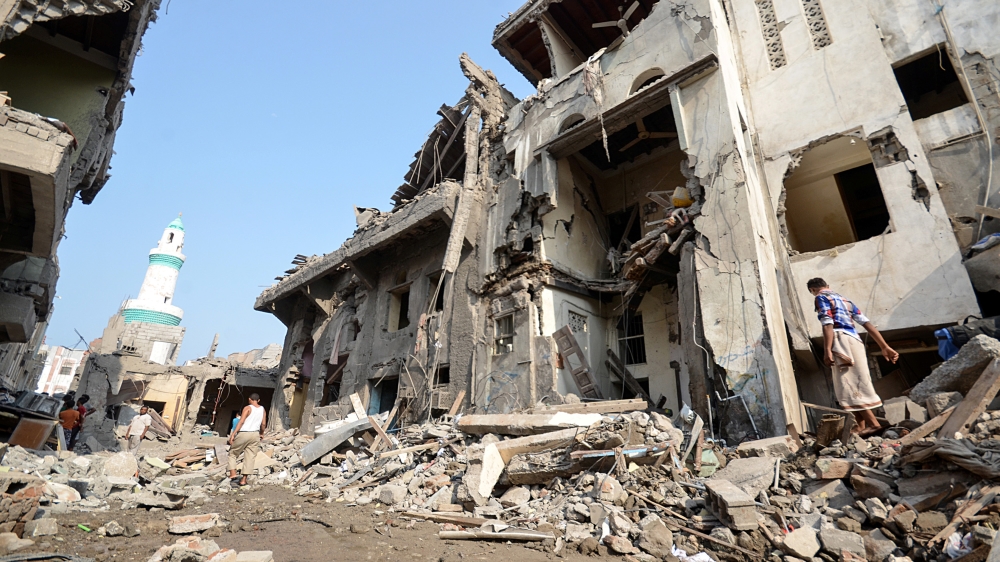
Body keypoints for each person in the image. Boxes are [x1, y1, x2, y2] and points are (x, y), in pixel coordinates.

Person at [807, 278, 900, 436]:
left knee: (847, 384)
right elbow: (866, 323)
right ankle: (860, 426)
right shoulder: (846, 300)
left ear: (813, 290)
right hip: (855, 341)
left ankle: (873, 424)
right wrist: (884, 346)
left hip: (840, 340)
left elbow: (827, 323)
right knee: (855, 381)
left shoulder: (821, 298)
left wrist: (827, 349)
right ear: (827, 286)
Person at [227, 394, 266, 487]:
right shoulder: (263, 409)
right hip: (255, 434)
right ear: (258, 400)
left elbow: (241, 421)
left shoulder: (247, 408)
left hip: (244, 433)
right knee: (250, 457)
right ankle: (243, 480)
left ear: (249, 399)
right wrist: (261, 433)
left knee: (233, 453)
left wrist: (233, 434)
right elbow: (263, 424)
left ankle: (233, 474)